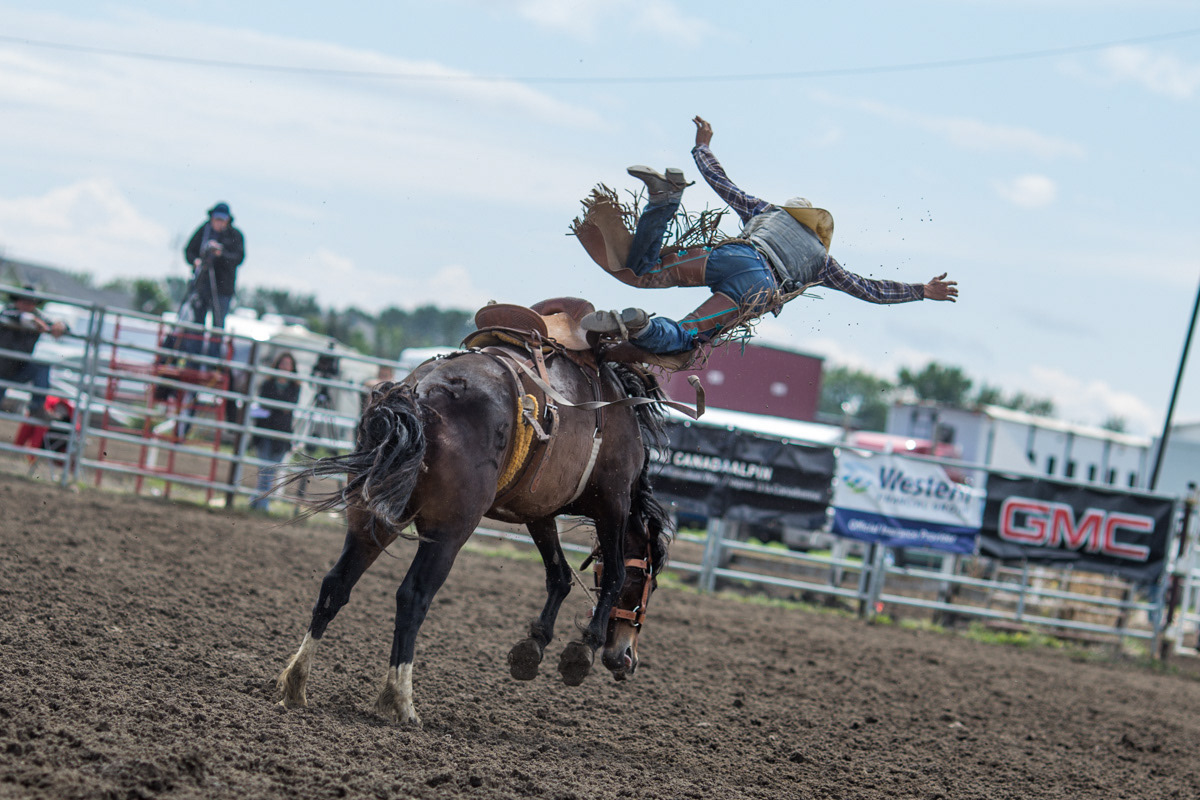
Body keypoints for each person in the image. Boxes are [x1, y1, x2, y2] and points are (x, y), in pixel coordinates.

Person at [575, 116, 958, 355]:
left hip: (732, 254)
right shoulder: (822, 261)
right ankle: (642, 326)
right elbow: (868, 289)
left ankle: (665, 199)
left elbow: (723, 184)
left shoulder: (768, 211)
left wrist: (701, 147)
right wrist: (921, 290)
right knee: (690, 333)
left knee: (644, 271)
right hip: (757, 286)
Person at [181, 201, 245, 357]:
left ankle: (212, 361)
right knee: (197, 323)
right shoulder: (204, 231)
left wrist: (220, 255)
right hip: (202, 285)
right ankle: (193, 359)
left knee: (217, 325)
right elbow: (189, 251)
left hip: (223, 288)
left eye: (222, 220)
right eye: (216, 219)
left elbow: (239, 258)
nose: (219, 223)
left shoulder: (235, 235)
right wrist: (196, 260)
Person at [0, 286, 68, 420]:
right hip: (1, 368)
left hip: (18, 369)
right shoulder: (8, 312)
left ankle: (37, 408)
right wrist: (32, 320)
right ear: (17, 301)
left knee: (41, 366)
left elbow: (56, 326)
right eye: (24, 301)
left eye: (30, 302)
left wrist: (61, 326)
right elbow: (14, 316)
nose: (27, 305)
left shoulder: (38, 319)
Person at [249, 351, 300, 512]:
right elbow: (267, 404)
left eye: (288, 364)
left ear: (292, 368)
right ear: (277, 365)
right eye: (282, 363)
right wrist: (278, 409)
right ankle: (262, 503)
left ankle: (257, 500)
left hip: (282, 433)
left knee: (272, 469)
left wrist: (275, 408)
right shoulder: (267, 383)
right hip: (265, 429)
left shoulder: (294, 387)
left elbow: (287, 407)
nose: (285, 367)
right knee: (265, 469)